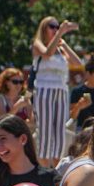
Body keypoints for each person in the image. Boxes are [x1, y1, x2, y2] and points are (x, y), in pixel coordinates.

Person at [32, 17, 82, 167]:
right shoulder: (37, 44)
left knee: (59, 131)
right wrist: (60, 32)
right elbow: (47, 53)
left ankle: (56, 168)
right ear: (44, 28)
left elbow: (77, 63)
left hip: (61, 91)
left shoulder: (60, 49)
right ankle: (44, 168)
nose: (55, 29)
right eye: (52, 26)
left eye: (57, 26)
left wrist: (64, 44)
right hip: (44, 90)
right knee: (45, 131)